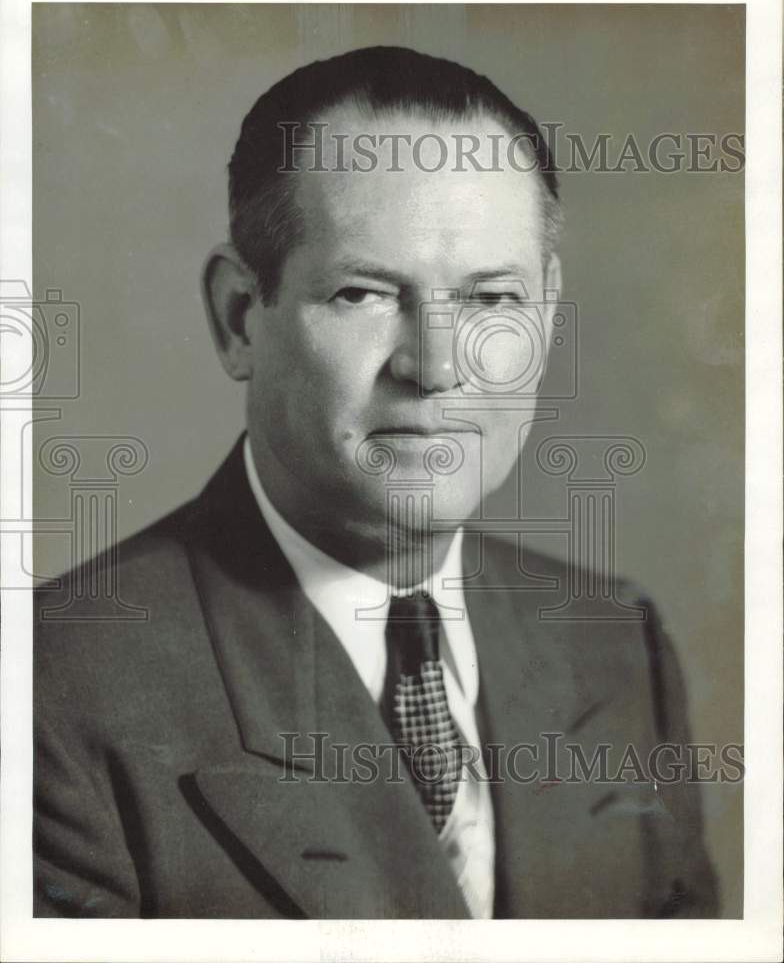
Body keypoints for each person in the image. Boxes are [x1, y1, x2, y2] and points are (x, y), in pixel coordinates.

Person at [34, 46, 718, 919]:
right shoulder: (50, 695)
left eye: (491, 301)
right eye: (364, 293)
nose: (436, 368)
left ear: (546, 315)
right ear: (240, 318)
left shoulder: (617, 648)